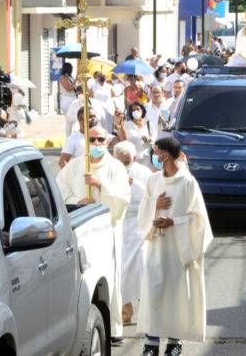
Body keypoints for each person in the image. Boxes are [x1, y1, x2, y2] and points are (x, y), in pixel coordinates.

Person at [137, 137, 213, 356]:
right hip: (156, 245)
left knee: (176, 294)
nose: (153, 156)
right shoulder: (153, 180)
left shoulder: (188, 182)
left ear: (166, 155)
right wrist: (155, 205)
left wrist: (174, 222)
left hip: (179, 248)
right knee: (153, 291)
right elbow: (144, 208)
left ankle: (174, 342)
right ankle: (151, 343)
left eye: (156, 152)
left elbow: (199, 219)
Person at [56, 126, 130, 345]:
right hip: (81, 230)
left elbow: (122, 199)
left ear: (107, 142)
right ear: (85, 142)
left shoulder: (116, 167)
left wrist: (100, 186)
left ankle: (113, 328)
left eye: (100, 139)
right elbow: (60, 192)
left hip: (107, 230)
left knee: (108, 277)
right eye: (92, 139)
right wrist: (79, 202)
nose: (97, 143)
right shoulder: (74, 166)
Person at [114, 141, 153, 326]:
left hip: (138, 225)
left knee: (141, 268)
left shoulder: (143, 173)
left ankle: (146, 311)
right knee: (121, 271)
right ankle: (124, 312)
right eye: (120, 161)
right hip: (118, 224)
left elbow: (151, 196)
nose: (123, 165)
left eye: (127, 161)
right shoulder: (111, 170)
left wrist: (133, 184)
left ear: (134, 158)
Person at [117, 102, 152, 167]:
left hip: (146, 158)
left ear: (142, 111)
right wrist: (121, 127)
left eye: (138, 109)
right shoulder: (127, 125)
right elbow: (123, 140)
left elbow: (154, 138)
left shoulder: (149, 124)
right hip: (132, 159)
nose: (135, 111)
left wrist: (149, 139)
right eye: (133, 110)